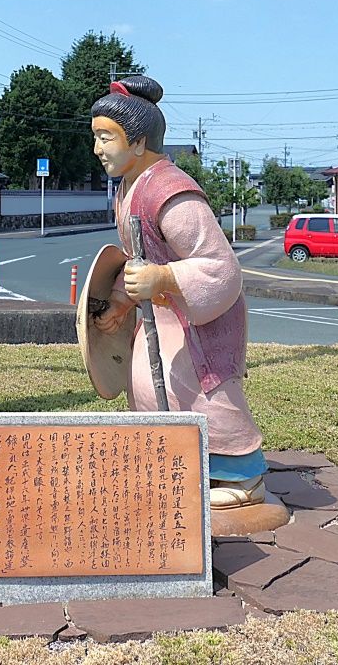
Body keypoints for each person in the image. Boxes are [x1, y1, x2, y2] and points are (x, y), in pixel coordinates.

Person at [89, 75, 269, 509]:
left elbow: (219, 267)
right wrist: (120, 301)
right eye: (95, 137)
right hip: (162, 316)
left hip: (195, 318)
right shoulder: (130, 189)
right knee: (151, 389)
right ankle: (178, 467)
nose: (97, 148)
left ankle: (244, 477)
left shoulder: (171, 192)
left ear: (137, 142)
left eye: (105, 137)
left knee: (204, 396)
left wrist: (165, 280)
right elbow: (137, 260)